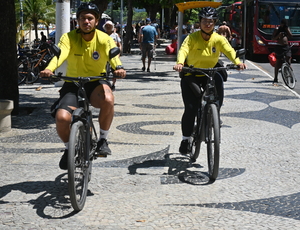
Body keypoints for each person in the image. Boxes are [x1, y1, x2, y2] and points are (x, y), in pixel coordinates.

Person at [40, 2, 126, 170]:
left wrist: (119, 68)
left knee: (108, 99)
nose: (86, 22)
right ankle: (68, 148)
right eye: (82, 19)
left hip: (95, 82)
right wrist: (49, 69)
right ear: (77, 21)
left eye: (90, 18)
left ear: (96, 21)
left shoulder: (104, 39)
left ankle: (103, 139)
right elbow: (61, 55)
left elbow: (112, 55)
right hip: (72, 83)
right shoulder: (69, 37)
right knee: (62, 118)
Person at [173, 6, 246, 154]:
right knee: (191, 108)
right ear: (199, 22)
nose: (208, 24)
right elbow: (183, 50)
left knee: (219, 81)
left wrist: (237, 62)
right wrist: (180, 63)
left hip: (210, 73)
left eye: (211, 21)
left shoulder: (218, 39)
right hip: (191, 74)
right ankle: (186, 139)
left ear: (215, 23)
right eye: (205, 21)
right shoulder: (192, 37)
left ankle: (215, 113)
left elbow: (229, 50)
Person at [271, 19, 292, 85]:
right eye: (283, 24)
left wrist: (287, 30)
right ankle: (275, 78)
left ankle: (290, 75)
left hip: (286, 47)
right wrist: (279, 35)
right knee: (278, 61)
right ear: (281, 24)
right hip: (279, 47)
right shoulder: (277, 29)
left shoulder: (287, 28)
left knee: (288, 59)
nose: (284, 26)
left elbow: (291, 36)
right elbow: (273, 38)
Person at [103, 20, 122, 91]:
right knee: (105, 71)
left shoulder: (115, 35)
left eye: (109, 26)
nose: (108, 27)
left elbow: (119, 45)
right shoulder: (103, 35)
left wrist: (119, 53)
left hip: (114, 56)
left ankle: (113, 84)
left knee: (114, 71)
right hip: (105, 56)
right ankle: (106, 83)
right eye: (107, 26)